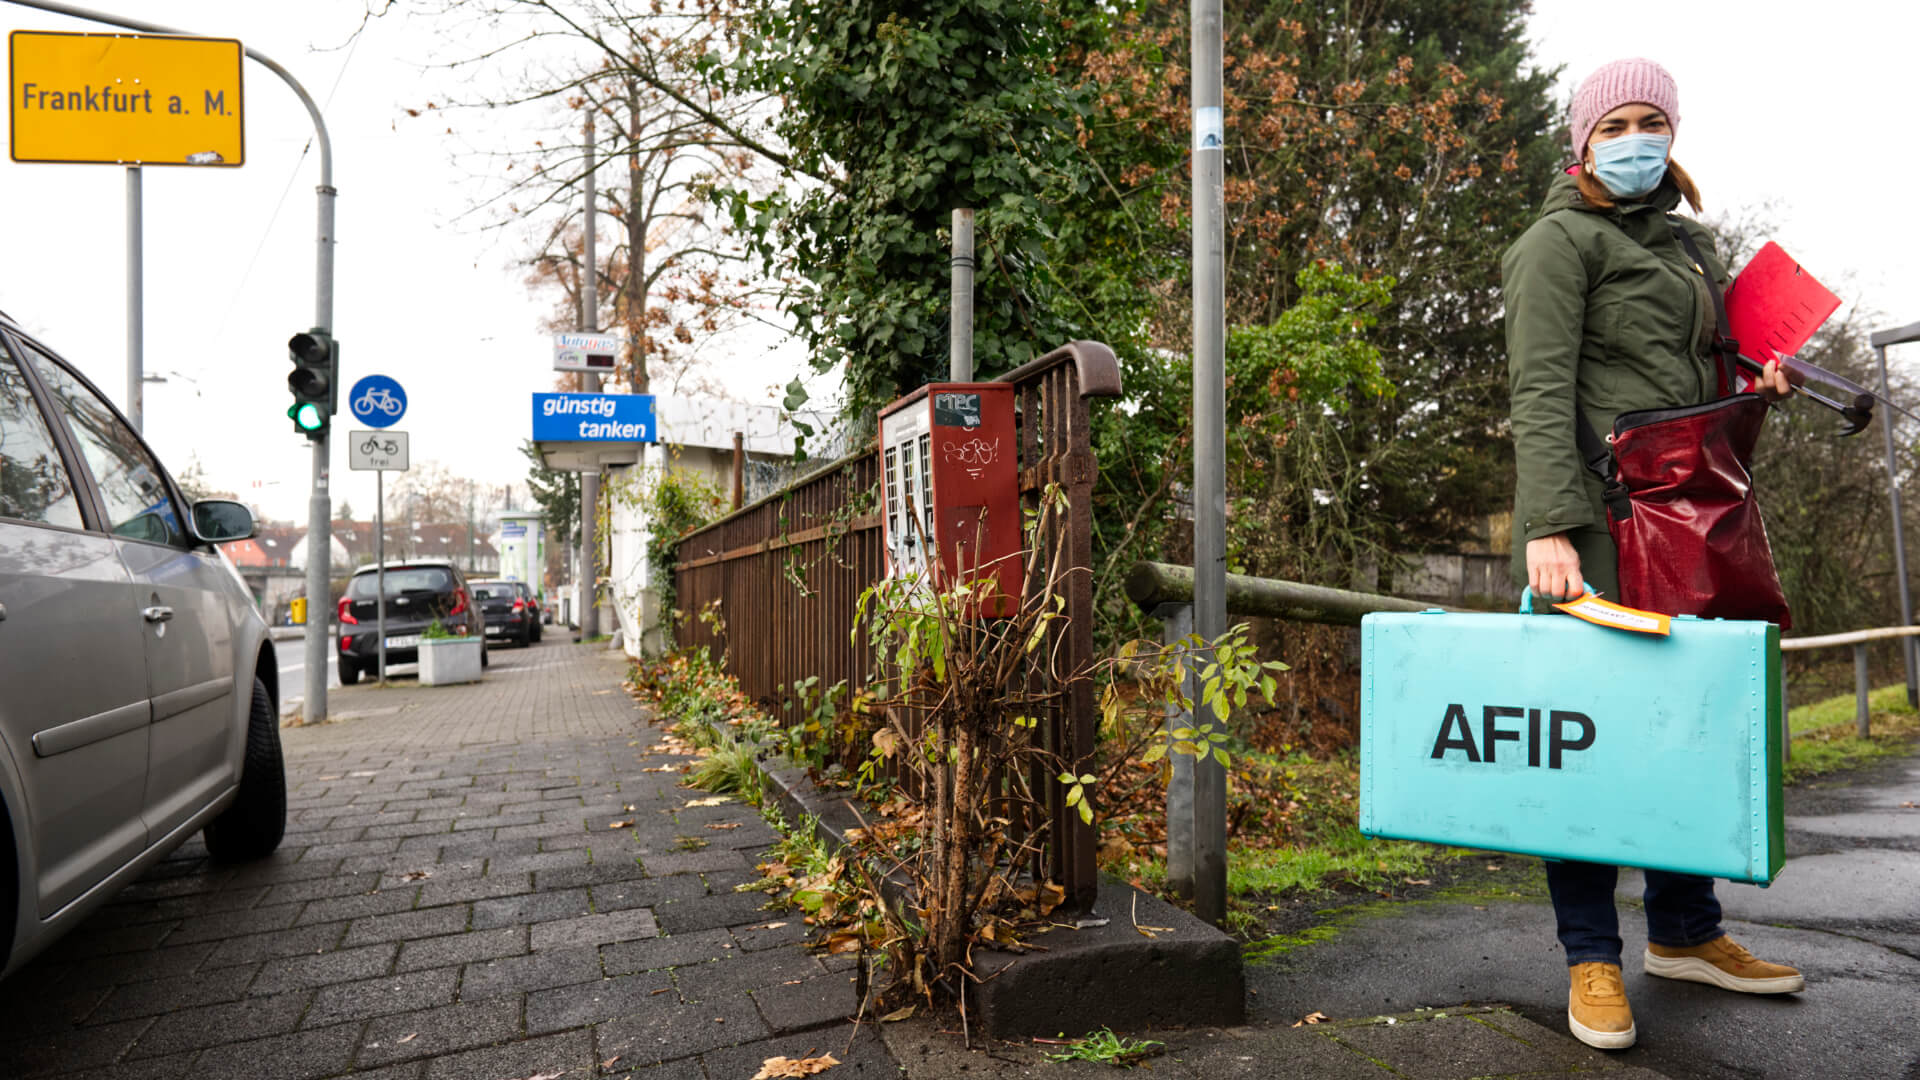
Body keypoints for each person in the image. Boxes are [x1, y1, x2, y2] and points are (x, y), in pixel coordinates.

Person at [1500, 57, 1804, 1051]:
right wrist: (1547, 525)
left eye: (1653, 121)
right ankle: (1592, 955)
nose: (1638, 139)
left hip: (1684, 515)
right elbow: (1541, 390)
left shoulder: (1687, 248)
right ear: (1582, 142)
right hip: (1593, 527)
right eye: (1616, 123)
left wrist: (1754, 384)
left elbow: (1690, 386)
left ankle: (1685, 931)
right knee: (1588, 747)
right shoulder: (1556, 244)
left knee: (1683, 731)